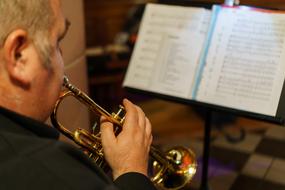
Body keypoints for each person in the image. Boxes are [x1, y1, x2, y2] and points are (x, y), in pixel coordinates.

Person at [0, 0, 156, 189]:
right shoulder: (50, 171)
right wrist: (131, 170)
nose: (63, 64)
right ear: (18, 56)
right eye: (57, 41)